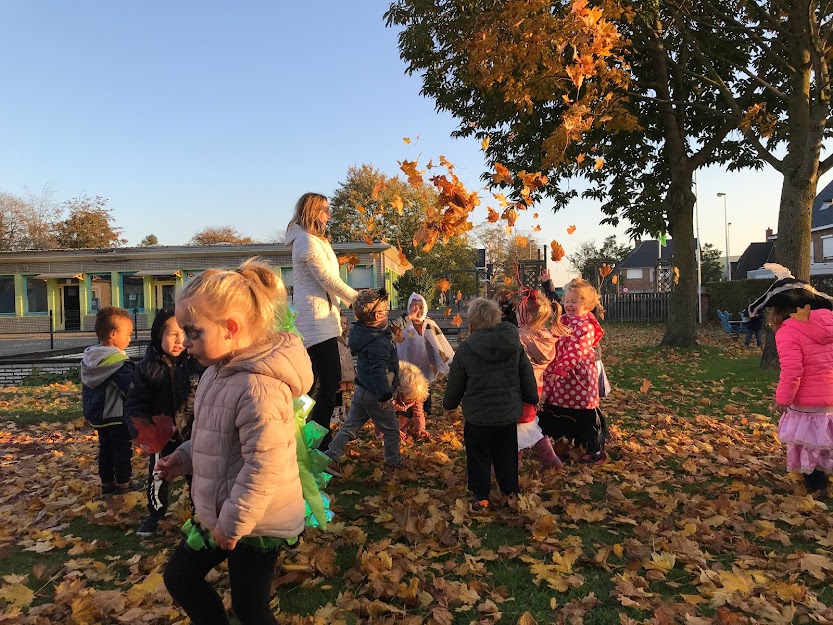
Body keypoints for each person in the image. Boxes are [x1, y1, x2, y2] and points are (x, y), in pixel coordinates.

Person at [155, 259, 313, 625]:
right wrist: (184, 457)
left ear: (231, 328)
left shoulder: (259, 387)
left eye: (193, 332)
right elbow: (218, 440)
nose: (184, 342)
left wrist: (233, 522)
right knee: (180, 577)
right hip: (222, 511)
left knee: (250, 608)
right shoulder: (217, 372)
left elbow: (264, 464)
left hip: (255, 522)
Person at [443, 298, 538, 511]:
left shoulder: (466, 349)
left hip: (478, 418)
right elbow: (526, 373)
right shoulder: (514, 345)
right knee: (507, 455)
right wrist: (531, 397)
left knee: (478, 457)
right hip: (506, 415)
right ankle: (511, 492)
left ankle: (481, 496)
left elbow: (456, 382)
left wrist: (450, 403)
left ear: (471, 325)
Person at [748, 266, 833, 495]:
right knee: (825, 440)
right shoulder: (830, 324)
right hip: (830, 399)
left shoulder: (788, 331)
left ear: (777, 311)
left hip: (807, 402)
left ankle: (816, 486)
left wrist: (783, 399)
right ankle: (823, 477)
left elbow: (793, 369)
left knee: (808, 444)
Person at [285, 192, 358, 450]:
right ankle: (316, 442)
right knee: (327, 384)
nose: (329, 215)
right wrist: (356, 299)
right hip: (315, 323)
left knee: (318, 385)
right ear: (313, 212)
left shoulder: (314, 240)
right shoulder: (306, 241)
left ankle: (313, 438)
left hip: (323, 319)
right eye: (325, 210)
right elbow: (326, 279)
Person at [125, 309, 205, 538]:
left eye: (184, 333)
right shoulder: (147, 368)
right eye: (172, 334)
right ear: (158, 335)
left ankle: (199, 514)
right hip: (162, 436)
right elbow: (135, 403)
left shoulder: (197, 364)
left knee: (198, 476)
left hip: (191, 432)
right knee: (158, 476)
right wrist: (142, 432)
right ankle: (155, 514)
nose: (179, 340)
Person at [324, 288, 401, 476]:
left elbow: (393, 324)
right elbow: (378, 372)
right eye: (386, 312)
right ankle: (393, 465)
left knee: (350, 426)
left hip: (362, 391)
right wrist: (384, 395)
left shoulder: (364, 331)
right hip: (376, 394)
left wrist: (407, 317)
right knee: (391, 431)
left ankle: (331, 456)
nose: (388, 315)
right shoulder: (378, 343)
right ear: (377, 315)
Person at [539, 278, 608, 464]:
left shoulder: (586, 326)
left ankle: (595, 449)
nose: (568, 305)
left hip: (579, 379)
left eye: (574, 302)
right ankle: (549, 442)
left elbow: (577, 350)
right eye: (567, 301)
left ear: (586, 304)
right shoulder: (563, 320)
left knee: (583, 414)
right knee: (555, 409)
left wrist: (560, 369)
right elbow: (553, 342)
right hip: (561, 377)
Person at [81, 307, 138, 496]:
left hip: (98, 415)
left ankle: (107, 483)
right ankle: (124, 482)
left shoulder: (91, 358)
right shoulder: (116, 362)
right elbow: (131, 389)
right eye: (128, 334)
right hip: (116, 414)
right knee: (122, 449)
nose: (130, 339)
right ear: (113, 334)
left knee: (105, 449)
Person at [516, 290, 566, 472]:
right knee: (526, 424)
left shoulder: (520, 337)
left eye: (518, 311)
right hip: (536, 387)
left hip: (519, 387)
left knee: (518, 426)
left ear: (526, 315)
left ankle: (513, 465)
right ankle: (549, 460)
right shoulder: (545, 337)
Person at [394, 292, 454, 419]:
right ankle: (408, 412)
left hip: (427, 363)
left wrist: (441, 362)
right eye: (414, 308)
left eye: (420, 308)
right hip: (409, 364)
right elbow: (397, 339)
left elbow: (439, 341)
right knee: (408, 388)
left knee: (425, 388)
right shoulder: (406, 326)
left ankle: (426, 410)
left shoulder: (430, 325)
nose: (418, 311)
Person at [395, 361, 431, 440]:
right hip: (377, 403)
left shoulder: (415, 391)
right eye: (410, 399)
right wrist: (393, 430)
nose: (412, 401)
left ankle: (402, 429)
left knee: (408, 412)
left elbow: (418, 412)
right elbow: (384, 414)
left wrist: (420, 428)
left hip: (400, 401)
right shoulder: (391, 392)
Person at [334, 311, 356, 424]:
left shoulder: (346, 338)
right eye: (341, 323)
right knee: (336, 392)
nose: (343, 325)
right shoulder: (334, 339)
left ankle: (341, 412)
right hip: (339, 369)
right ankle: (335, 413)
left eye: (345, 323)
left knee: (342, 393)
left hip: (346, 369)